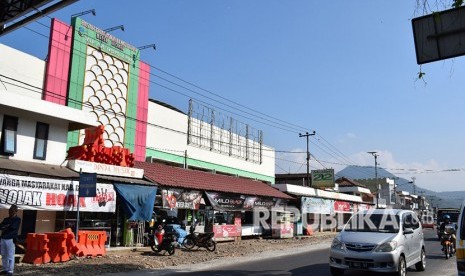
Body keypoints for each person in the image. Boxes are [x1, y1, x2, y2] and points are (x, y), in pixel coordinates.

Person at [0, 205, 21, 276]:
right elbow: (0, 226)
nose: (10, 212)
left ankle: (10, 270)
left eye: (12, 210)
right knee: (3, 255)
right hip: (3, 238)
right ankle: (5, 269)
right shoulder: (6, 219)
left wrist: (5, 226)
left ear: (15, 211)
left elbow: (13, 227)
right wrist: (7, 226)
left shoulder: (17, 219)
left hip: (10, 239)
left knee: (10, 255)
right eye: (9, 210)